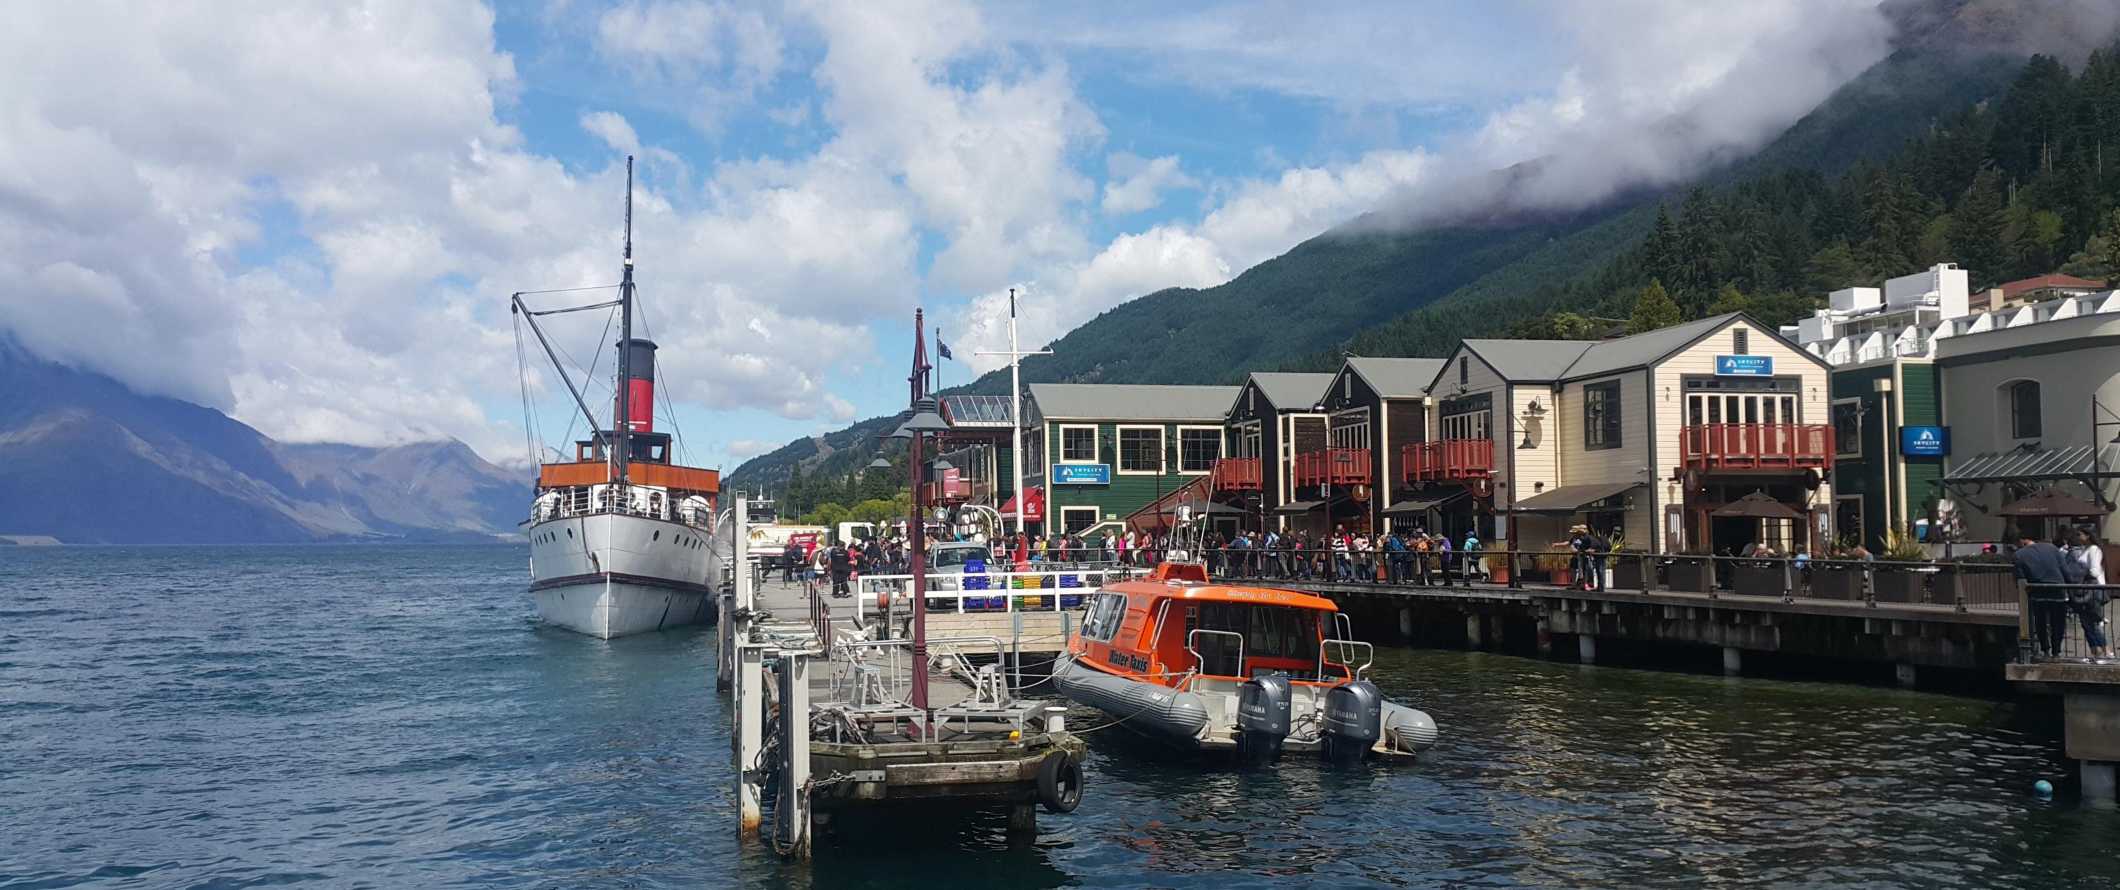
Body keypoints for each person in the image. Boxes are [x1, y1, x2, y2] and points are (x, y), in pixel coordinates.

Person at [2016, 530, 2089, 658]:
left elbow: (2020, 579)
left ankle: (2045, 650)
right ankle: (2056, 651)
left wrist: (2027, 592)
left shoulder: (2019, 555)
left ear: (2022, 541)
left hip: (2037, 593)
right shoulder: (2052, 548)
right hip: (2058, 590)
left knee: (2040, 623)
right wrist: (2071, 586)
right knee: (2058, 623)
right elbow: (2065, 570)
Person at [2069, 528, 2111, 660]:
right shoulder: (2085, 549)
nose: (2077, 536)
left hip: (2092, 589)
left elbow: (2094, 570)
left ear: (2087, 535)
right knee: (2086, 622)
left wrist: (2079, 572)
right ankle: (2096, 651)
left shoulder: (2093, 549)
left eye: (2079, 534)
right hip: (2085, 588)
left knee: (2092, 621)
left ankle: (2106, 650)